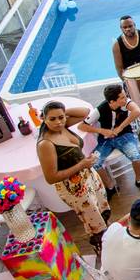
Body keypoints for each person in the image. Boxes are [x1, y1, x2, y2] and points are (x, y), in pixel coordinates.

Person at [36, 101, 110, 252]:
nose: (58, 122)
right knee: (93, 221)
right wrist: (81, 165)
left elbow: (86, 112)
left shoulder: (63, 126)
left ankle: (108, 236)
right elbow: (51, 178)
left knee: (101, 208)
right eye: (52, 119)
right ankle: (100, 246)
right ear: (43, 119)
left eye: (61, 117)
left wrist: (62, 112)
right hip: (74, 189)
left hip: (88, 175)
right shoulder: (46, 144)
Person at [78, 84, 140, 201]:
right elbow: (81, 126)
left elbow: (137, 111)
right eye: (122, 97)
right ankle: (110, 187)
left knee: (135, 156)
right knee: (94, 162)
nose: (126, 98)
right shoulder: (99, 110)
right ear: (112, 101)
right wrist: (102, 131)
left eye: (125, 96)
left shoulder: (126, 103)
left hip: (125, 136)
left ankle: (139, 180)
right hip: (105, 140)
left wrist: (120, 127)